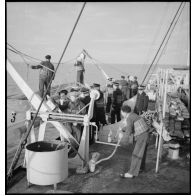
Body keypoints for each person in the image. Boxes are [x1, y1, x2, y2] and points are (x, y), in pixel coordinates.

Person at [119, 105, 149, 178]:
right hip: (145, 134)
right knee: (141, 153)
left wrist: (122, 141)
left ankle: (131, 173)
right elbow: (131, 126)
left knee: (136, 154)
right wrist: (123, 129)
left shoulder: (129, 118)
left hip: (141, 136)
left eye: (121, 112)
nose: (121, 113)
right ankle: (140, 168)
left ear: (124, 112)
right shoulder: (133, 115)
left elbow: (129, 130)